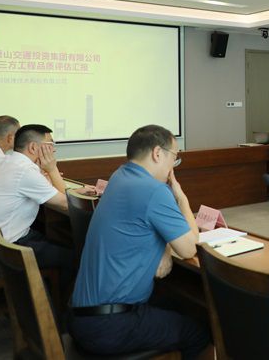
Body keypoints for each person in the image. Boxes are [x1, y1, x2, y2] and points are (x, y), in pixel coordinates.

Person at [69, 125, 211, 358]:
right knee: (199, 333)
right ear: (158, 153)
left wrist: (164, 247)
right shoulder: (154, 190)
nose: (172, 167)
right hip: (109, 326)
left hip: (81, 316)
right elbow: (189, 248)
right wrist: (181, 197)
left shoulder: (119, 177)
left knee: (178, 305)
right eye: (174, 158)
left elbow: (141, 226)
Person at [0, 124, 73, 293]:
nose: (53, 150)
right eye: (50, 145)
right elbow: (67, 205)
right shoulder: (24, 171)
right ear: (33, 147)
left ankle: (45, 292)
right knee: (72, 257)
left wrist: (46, 176)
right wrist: (52, 169)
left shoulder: (9, 161)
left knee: (57, 239)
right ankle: (54, 306)